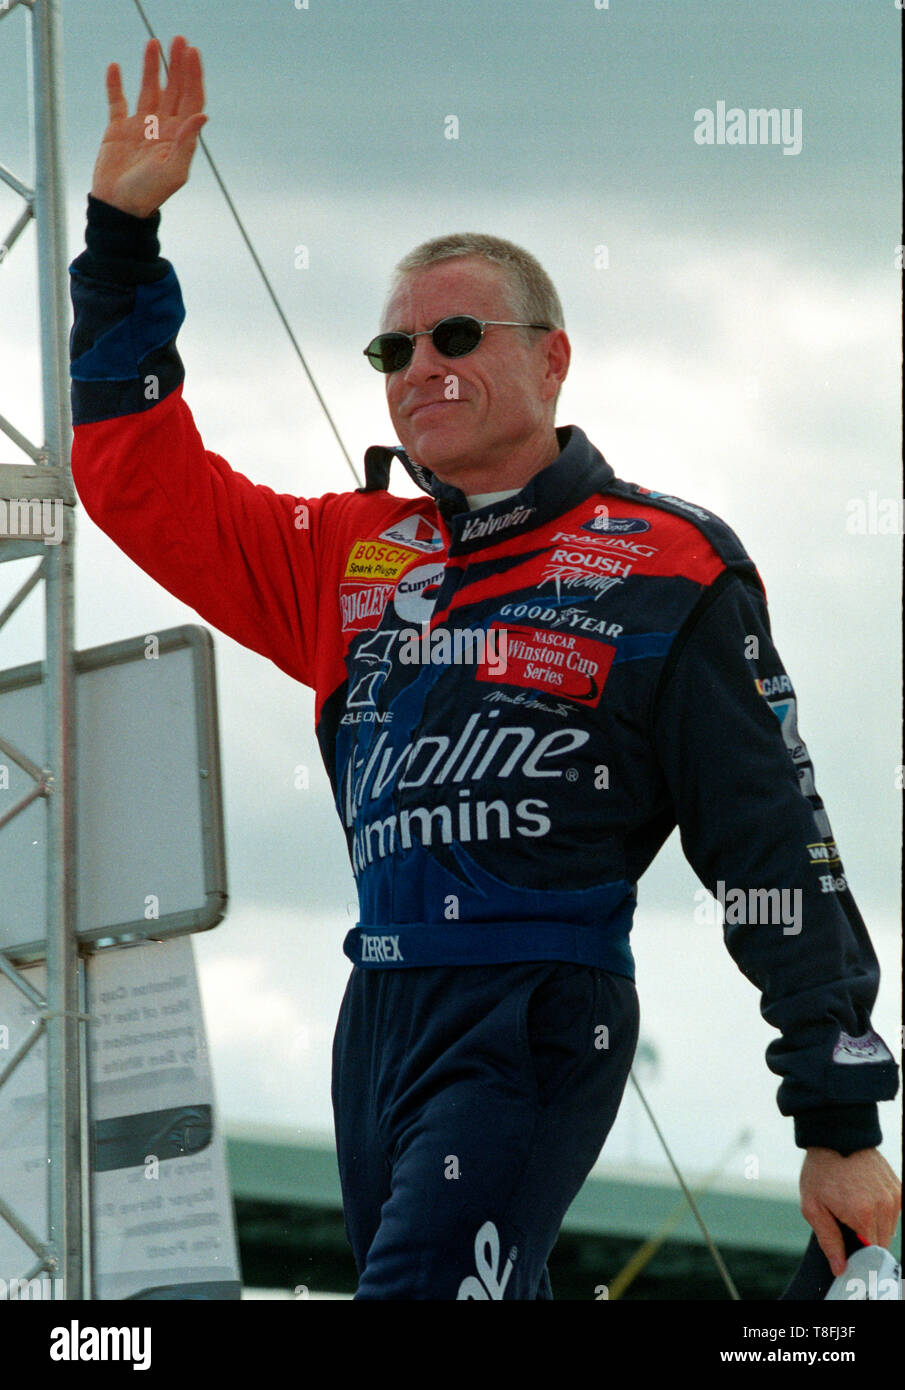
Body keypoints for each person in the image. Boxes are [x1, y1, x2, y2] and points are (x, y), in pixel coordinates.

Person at [68, 35, 900, 1299]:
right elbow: (137, 482)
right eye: (389, 351)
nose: (418, 368)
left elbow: (773, 840)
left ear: (551, 356)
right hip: (380, 1007)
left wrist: (836, 1117)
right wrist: (121, 237)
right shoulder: (348, 555)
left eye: (453, 333)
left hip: (536, 1003)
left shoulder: (666, 562)